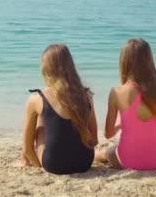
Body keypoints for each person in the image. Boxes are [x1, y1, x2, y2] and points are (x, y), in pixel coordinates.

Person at [20, 44, 98, 174]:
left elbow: (28, 149)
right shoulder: (86, 96)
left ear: (46, 68)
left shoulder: (36, 99)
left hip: (54, 164)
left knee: (41, 124)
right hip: (84, 162)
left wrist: (40, 165)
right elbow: (94, 140)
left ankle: (24, 161)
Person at [95, 38, 156, 170]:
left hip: (127, 160)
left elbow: (108, 134)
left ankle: (96, 154)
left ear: (124, 62)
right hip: (153, 160)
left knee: (105, 153)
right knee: (111, 151)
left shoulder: (117, 92)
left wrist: (119, 124)